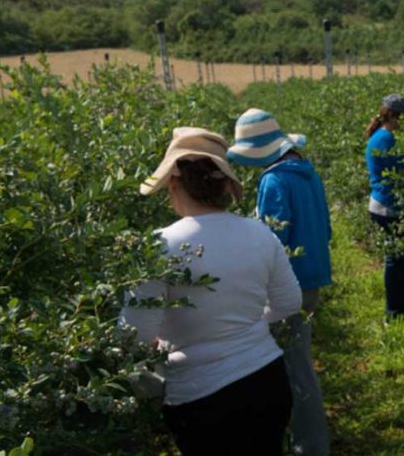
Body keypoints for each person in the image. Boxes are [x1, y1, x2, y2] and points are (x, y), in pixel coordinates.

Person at [120, 127, 302, 455]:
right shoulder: (259, 233)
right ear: (223, 186)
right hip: (267, 382)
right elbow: (290, 302)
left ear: (173, 184)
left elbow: (134, 334)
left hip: (200, 395)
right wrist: (249, 324)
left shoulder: (159, 246)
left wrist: (166, 343)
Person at [228, 109, 332, 456]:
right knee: (297, 360)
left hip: (289, 285)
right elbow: (326, 229)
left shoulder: (274, 180)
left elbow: (273, 240)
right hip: (311, 278)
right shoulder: (308, 174)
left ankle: (310, 446)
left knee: (295, 367)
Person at [366, 93, 404, 318]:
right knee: (397, 259)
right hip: (389, 207)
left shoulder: (382, 136)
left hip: (385, 205)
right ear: (396, 116)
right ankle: (395, 311)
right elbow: (403, 172)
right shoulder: (386, 140)